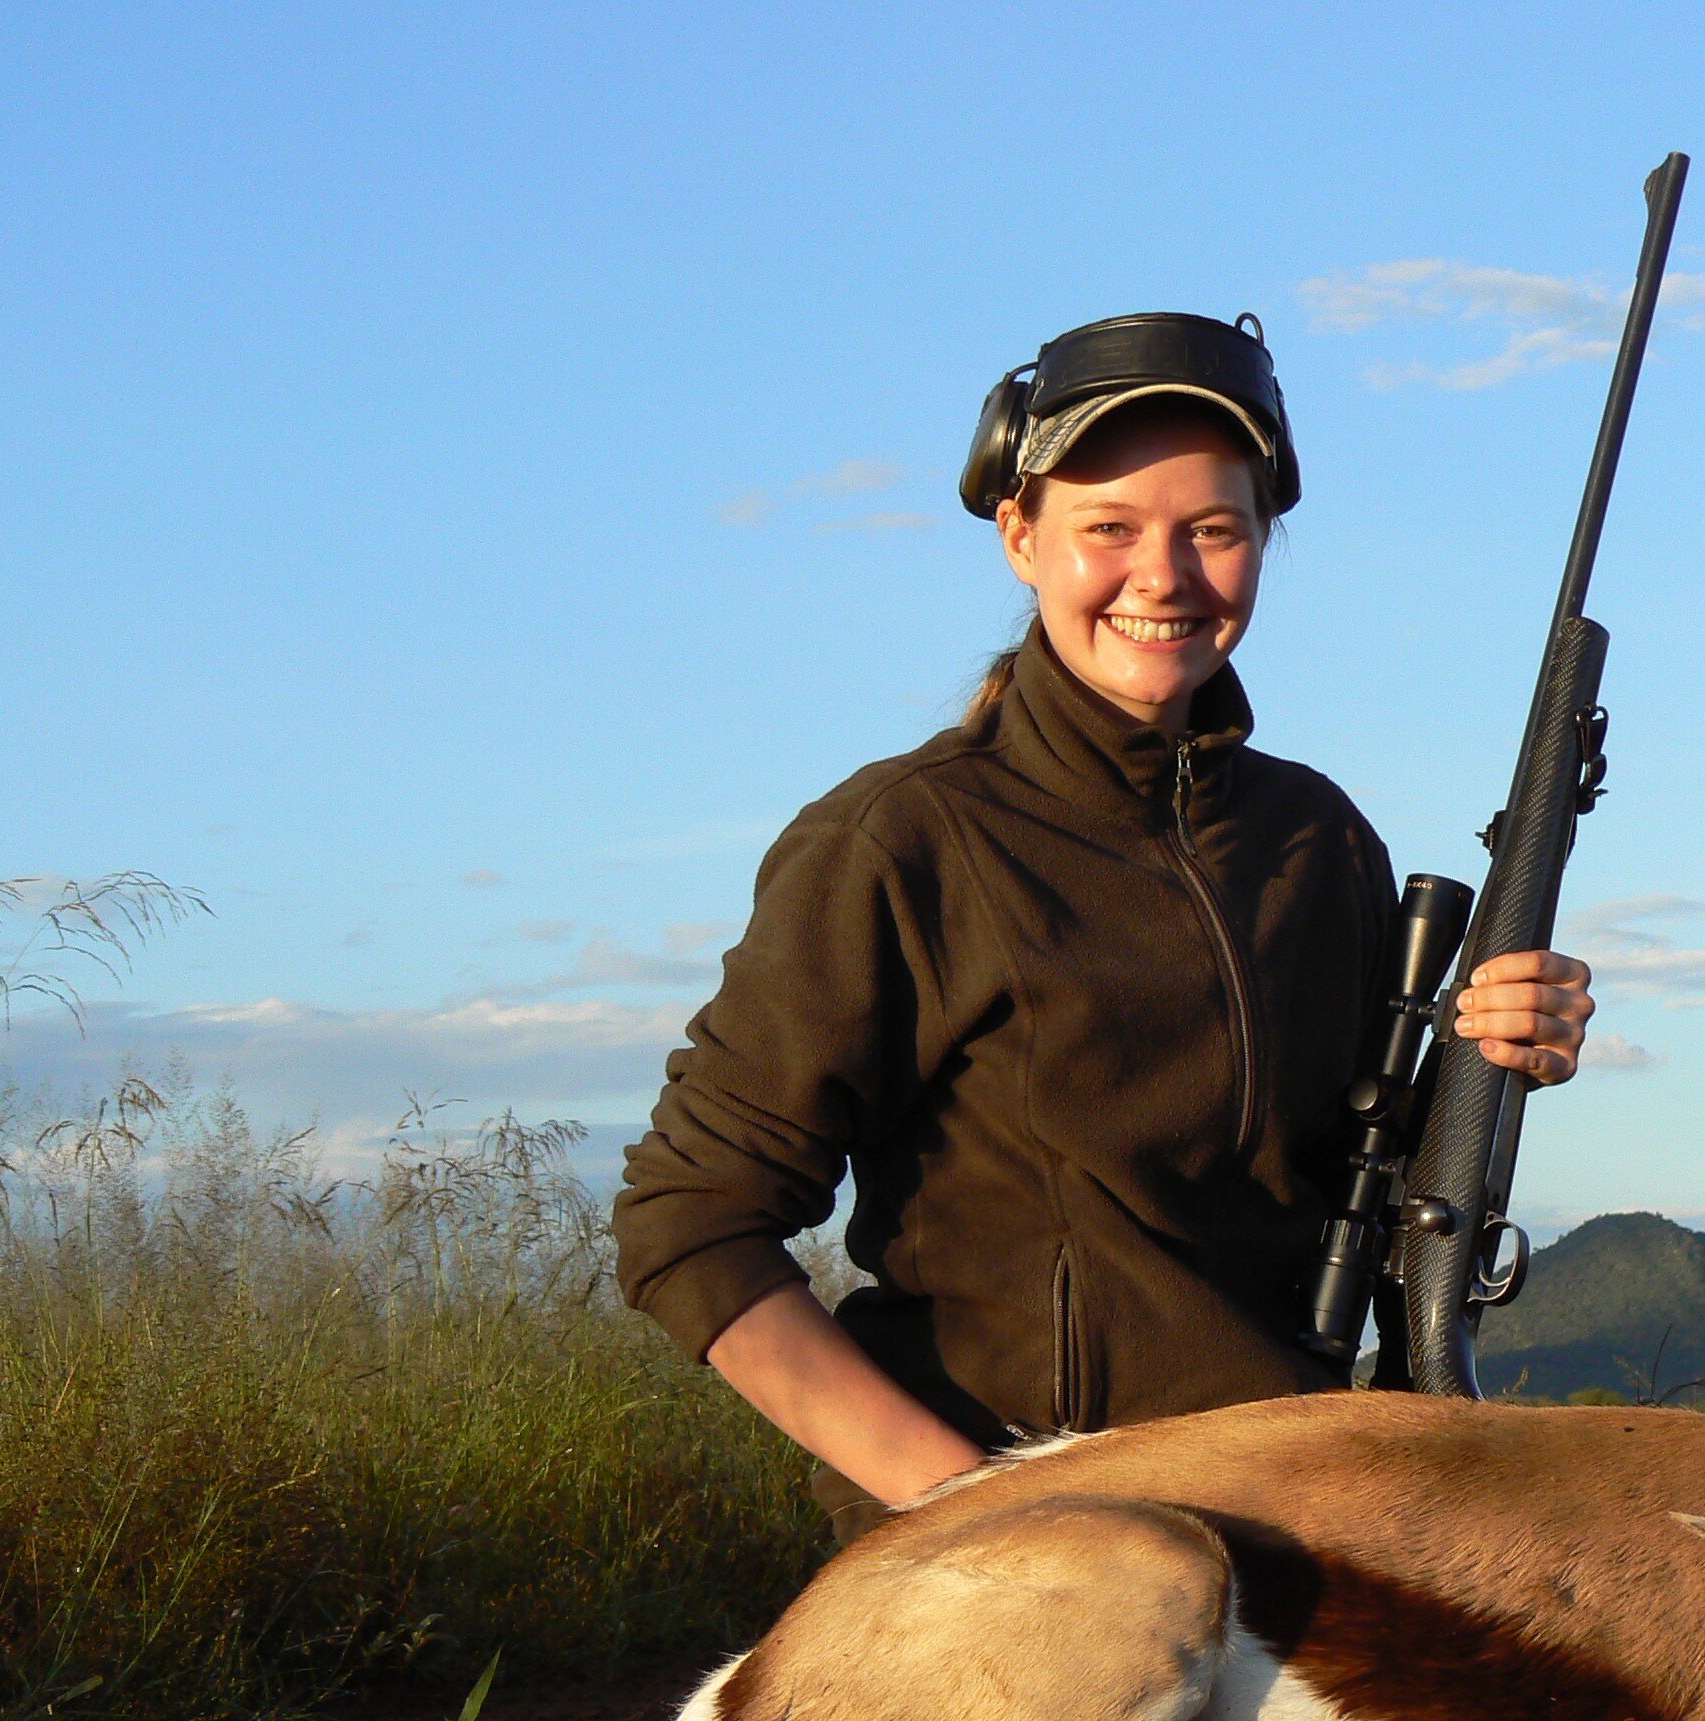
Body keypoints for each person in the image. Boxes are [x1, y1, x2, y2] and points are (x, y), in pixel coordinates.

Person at [613, 312, 1593, 1540]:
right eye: (1109, 529)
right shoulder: (900, 838)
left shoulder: (1318, 836)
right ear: (1020, 537)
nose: (1163, 576)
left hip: (1294, 1522)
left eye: (1213, 531)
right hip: (1002, 1557)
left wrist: (1489, 1057)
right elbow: (687, 1223)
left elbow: (1369, 1176)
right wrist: (975, 1507)